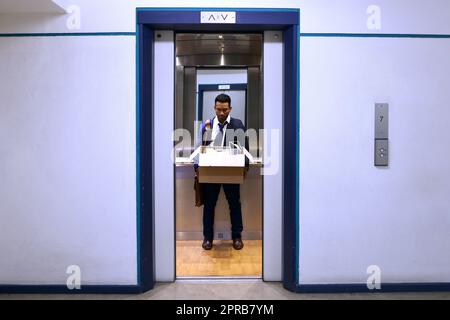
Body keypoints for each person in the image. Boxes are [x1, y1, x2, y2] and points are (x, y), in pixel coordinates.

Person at [194, 93, 249, 251]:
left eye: (225, 110)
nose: (222, 113)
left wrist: (245, 167)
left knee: (234, 204)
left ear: (230, 108)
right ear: (214, 108)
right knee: (209, 205)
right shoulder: (207, 125)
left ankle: (237, 236)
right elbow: (199, 148)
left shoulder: (238, 125)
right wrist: (197, 167)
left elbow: (244, 148)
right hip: (211, 172)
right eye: (219, 109)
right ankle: (208, 238)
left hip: (231, 172)